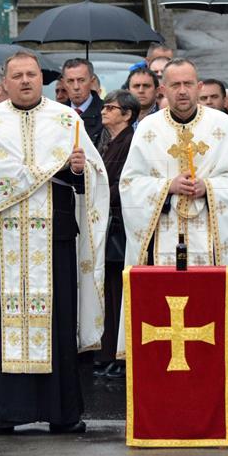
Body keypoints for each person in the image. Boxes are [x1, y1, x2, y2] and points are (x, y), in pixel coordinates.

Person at [0, 51, 109, 434]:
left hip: (55, 240)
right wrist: (32, 173)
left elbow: (92, 179)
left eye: (31, 74)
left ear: (44, 80)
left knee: (58, 326)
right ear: (5, 84)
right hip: (2, 242)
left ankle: (61, 413)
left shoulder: (66, 121)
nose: (26, 81)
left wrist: (80, 171)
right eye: (18, 76)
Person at [118, 58, 228, 359]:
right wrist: (167, 187)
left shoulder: (222, 126)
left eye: (188, 84)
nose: (182, 91)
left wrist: (207, 187)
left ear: (198, 87)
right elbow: (129, 184)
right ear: (163, 90)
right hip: (163, 244)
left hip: (208, 242)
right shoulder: (148, 129)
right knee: (162, 324)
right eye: (175, 85)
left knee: (207, 321)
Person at [93, 90, 138, 379]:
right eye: (105, 106)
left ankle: (121, 355)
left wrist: (98, 197)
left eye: (111, 108)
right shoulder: (106, 140)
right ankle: (107, 352)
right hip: (105, 223)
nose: (104, 111)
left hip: (120, 226)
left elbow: (125, 184)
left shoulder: (131, 142)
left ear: (127, 114)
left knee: (120, 293)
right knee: (107, 292)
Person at [62, 58, 103, 145]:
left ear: (92, 81)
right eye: (70, 81)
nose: (76, 87)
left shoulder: (105, 113)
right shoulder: (56, 113)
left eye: (81, 80)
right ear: (64, 83)